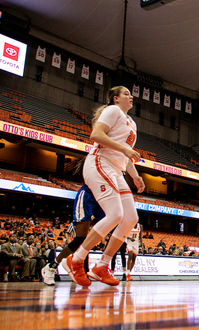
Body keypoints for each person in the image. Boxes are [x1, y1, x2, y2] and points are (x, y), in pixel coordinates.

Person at [62, 86, 145, 287]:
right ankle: (75, 260)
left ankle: (102, 266)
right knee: (115, 214)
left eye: (130, 94)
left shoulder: (131, 122)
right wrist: (125, 149)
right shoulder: (112, 110)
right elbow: (96, 135)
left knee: (131, 218)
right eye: (126, 93)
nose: (130, 96)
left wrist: (135, 176)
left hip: (116, 170)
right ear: (115, 98)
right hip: (100, 162)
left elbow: (125, 157)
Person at [42, 183, 105, 286]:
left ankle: (102, 266)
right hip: (89, 195)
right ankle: (51, 266)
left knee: (114, 222)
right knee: (80, 239)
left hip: (102, 198)